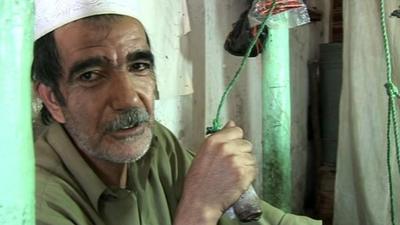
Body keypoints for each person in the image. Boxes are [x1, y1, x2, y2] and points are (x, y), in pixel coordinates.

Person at [33, 1, 321, 225]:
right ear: (53, 99)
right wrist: (199, 209)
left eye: (139, 66)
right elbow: (205, 202)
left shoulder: (155, 144)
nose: (129, 99)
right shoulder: (34, 204)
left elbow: (271, 221)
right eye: (91, 75)